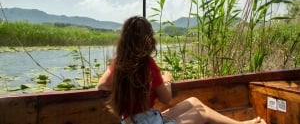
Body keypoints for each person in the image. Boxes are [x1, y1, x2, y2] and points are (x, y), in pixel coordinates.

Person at [97, 16, 266, 124]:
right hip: (151, 122)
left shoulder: (117, 63)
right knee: (203, 114)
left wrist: (125, 86)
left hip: (135, 121)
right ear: (148, 39)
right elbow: (166, 98)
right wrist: (166, 79)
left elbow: (102, 85)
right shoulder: (147, 65)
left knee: (193, 101)